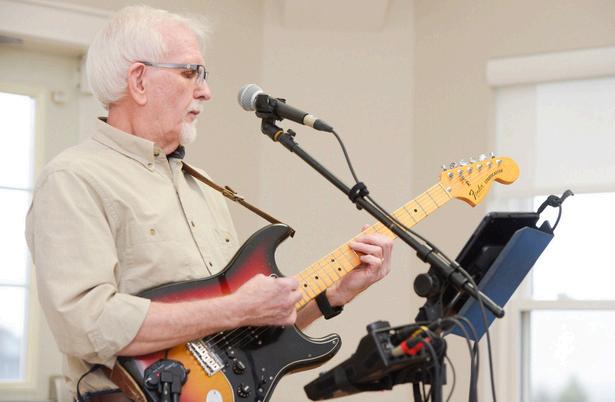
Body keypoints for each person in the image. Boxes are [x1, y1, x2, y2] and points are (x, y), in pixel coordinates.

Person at [25, 5, 393, 400]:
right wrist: (236, 308)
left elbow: (242, 340)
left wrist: (332, 295)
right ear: (139, 80)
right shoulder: (74, 178)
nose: (205, 91)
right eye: (190, 73)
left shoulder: (202, 187)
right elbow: (85, 325)